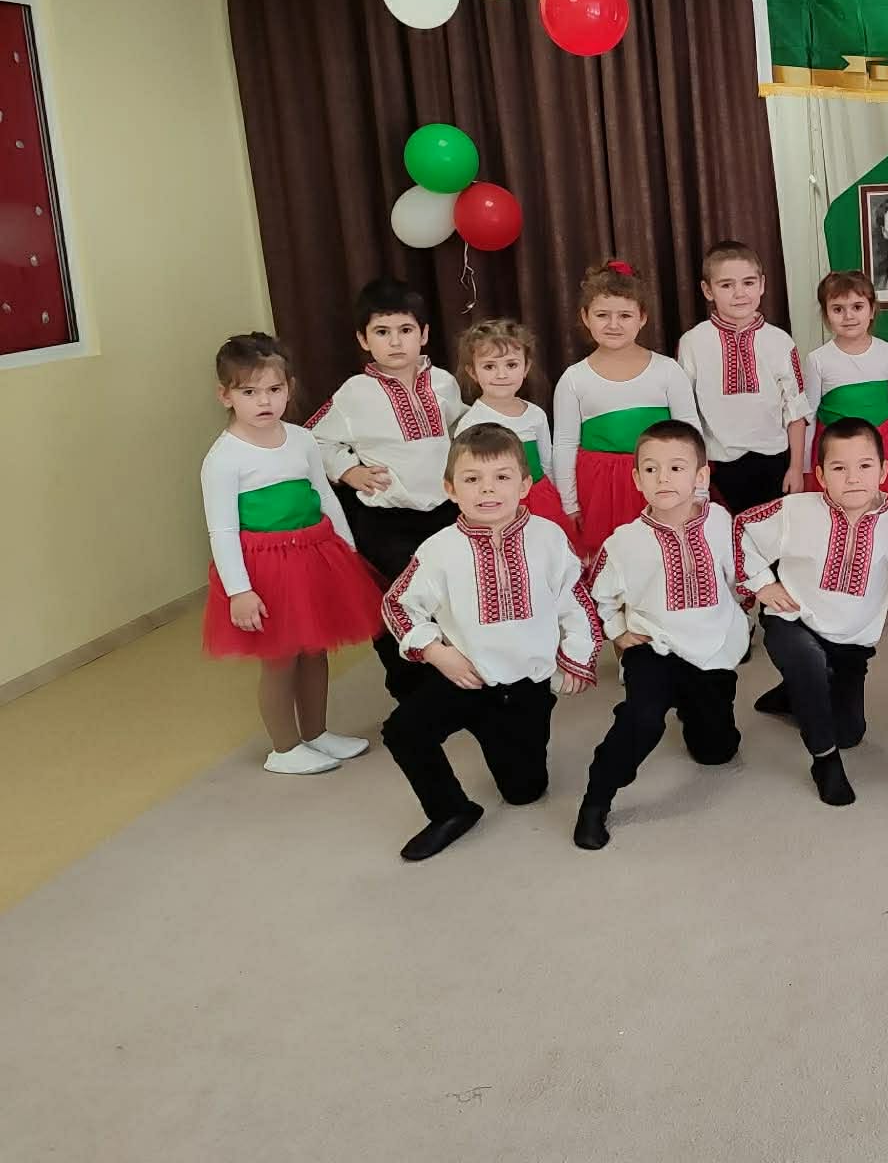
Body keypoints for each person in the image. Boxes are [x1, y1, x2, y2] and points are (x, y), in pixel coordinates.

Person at [378, 424, 598, 861]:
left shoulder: (549, 539)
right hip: (464, 678)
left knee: (524, 792)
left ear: (524, 485)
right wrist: (437, 653)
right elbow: (397, 605)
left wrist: (576, 658)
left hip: (525, 687)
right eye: (472, 479)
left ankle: (511, 759)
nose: (487, 489)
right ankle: (450, 811)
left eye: (501, 477)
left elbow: (576, 600)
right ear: (450, 489)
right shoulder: (439, 549)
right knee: (403, 732)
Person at [201, 333, 383, 775]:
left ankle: (316, 732)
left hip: (314, 556)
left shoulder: (302, 440)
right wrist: (239, 590)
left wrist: (348, 551)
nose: (264, 401)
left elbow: (325, 497)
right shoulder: (223, 459)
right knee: (280, 657)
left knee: (315, 649)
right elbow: (222, 530)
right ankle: (283, 748)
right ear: (225, 395)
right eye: (249, 392)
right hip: (266, 568)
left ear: (289, 388)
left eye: (274, 389)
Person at [573, 421, 751, 850]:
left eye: (676, 468)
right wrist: (617, 633)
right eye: (651, 469)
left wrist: (742, 611)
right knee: (642, 718)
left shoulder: (721, 522)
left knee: (717, 752)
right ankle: (596, 801)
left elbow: (740, 574)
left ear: (701, 475)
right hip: (653, 647)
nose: (663, 479)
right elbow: (597, 594)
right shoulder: (624, 542)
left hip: (711, 650)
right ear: (637, 479)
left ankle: (691, 707)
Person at [735, 418, 888, 807]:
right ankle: (824, 761)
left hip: (851, 643)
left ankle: (792, 694)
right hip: (793, 621)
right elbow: (742, 529)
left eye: (865, 466)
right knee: (806, 660)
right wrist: (762, 584)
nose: (852, 478)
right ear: (820, 475)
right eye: (839, 468)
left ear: (883, 471)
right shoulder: (797, 511)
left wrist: (886, 609)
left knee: (850, 732)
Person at [311, 278, 466, 699]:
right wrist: (348, 471)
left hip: (446, 513)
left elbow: (464, 428)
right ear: (364, 340)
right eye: (382, 332)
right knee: (401, 599)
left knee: (449, 597)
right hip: (386, 520)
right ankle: (409, 690)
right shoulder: (354, 394)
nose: (395, 342)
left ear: (424, 334)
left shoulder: (444, 383)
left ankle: (454, 683)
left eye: (405, 330)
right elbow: (314, 440)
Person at [551, 259, 700, 558]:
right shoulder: (574, 379)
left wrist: (699, 490)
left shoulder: (667, 370)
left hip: (660, 480)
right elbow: (564, 445)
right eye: (602, 315)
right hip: (600, 490)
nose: (613, 324)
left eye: (625, 315)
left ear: (642, 317)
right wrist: (569, 502)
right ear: (585, 316)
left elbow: (690, 432)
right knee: (612, 561)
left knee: (661, 556)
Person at [677, 240, 810, 516]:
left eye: (748, 283)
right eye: (726, 285)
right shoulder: (692, 342)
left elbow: (796, 411)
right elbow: (685, 413)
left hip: (774, 463)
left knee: (772, 539)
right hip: (716, 466)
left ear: (762, 285)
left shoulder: (780, 342)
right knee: (722, 537)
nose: (740, 293)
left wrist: (796, 468)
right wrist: (694, 471)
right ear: (708, 290)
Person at [453, 317, 580, 554]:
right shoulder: (471, 423)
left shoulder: (535, 414)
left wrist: (561, 504)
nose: (502, 375)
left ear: (526, 367)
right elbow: (467, 476)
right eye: (489, 366)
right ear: (473, 371)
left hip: (542, 501)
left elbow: (547, 464)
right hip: (498, 505)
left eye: (511, 365)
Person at [803, 271, 888, 505]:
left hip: (883, 449)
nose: (849, 316)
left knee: (882, 512)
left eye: (857, 307)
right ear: (826, 315)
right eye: (838, 309)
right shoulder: (818, 359)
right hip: (837, 452)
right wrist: (805, 466)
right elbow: (809, 417)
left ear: (872, 310)